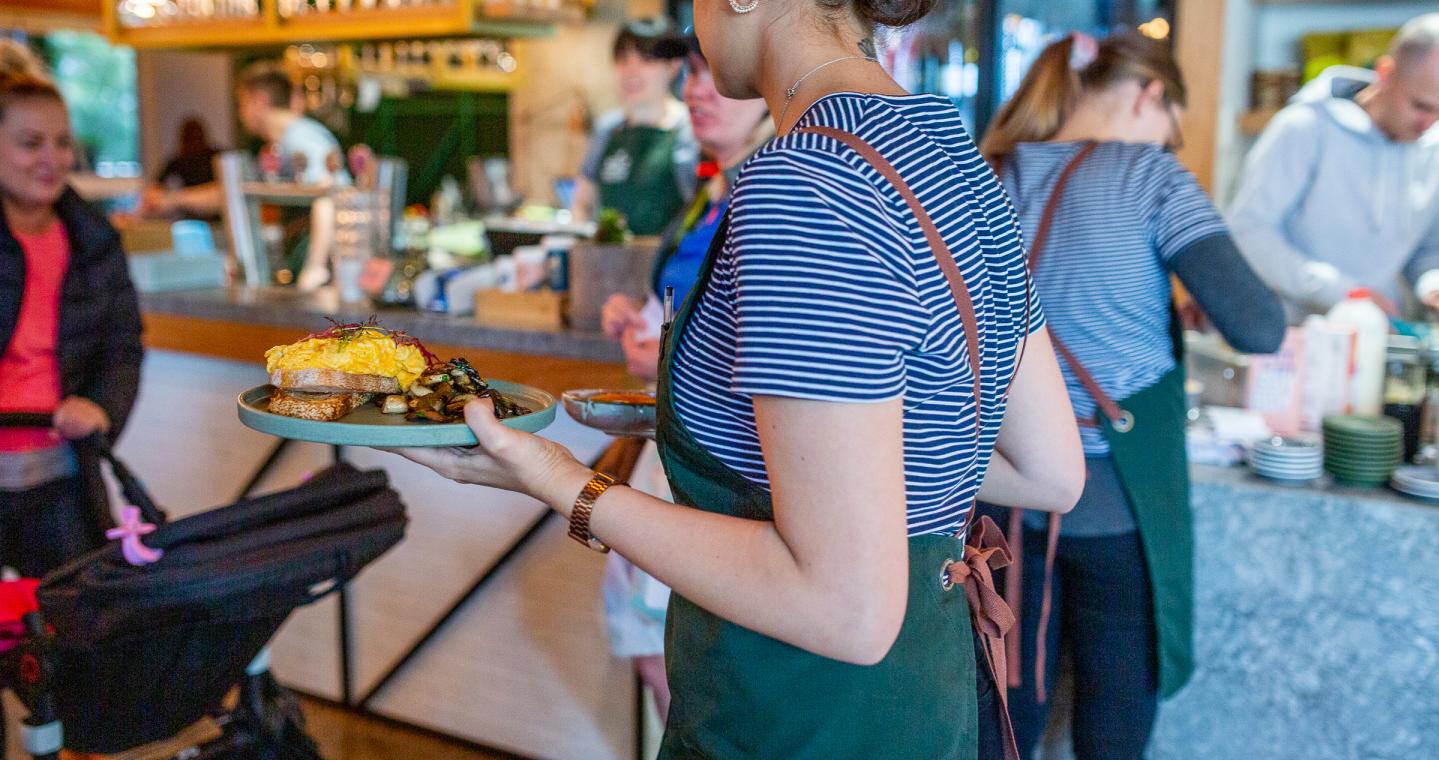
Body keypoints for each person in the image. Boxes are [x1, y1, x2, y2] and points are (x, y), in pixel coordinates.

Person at [390, 0, 1087, 756]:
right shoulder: (947, 148)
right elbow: (1045, 469)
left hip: (798, 716)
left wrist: (561, 479)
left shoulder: (807, 183)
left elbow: (846, 609)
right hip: (924, 704)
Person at [980, 33, 1285, 758]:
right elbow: (1259, 325)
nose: (1168, 141)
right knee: (1114, 724)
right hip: (1114, 496)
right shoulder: (1152, 177)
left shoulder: (985, 172)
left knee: (1001, 721)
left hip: (998, 497)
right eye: (1172, 125)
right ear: (1149, 97)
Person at [595, 32, 771, 723]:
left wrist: (663, 357)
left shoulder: (770, 198)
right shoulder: (711, 193)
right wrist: (638, 319)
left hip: (715, 465)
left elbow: (766, 355)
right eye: (690, 75)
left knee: (679, 653)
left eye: (712, 75)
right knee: (653, 640)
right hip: (671, 450)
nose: (695, 90)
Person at [0, 73, 144, 578]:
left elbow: (122, 348)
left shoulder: (95, 241)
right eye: (29, 143)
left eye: (62, 142)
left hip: (63, 475)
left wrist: (101, 406)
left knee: (75, 632)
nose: (52, 158)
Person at [1229, 13, 1439, 321]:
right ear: (1385, 73)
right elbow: (1248, 231)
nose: (1429, 122)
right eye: (1421, 106)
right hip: (1289, 334)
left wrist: (1432, 285)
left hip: (1376, 337)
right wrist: (1341, 291)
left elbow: (1425, 250)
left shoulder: (1432, 145)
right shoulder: (1306, 127)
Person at [143, 63, 350, 289]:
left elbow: (328, 197)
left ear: (258, 100)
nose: (241, 115)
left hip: (332, 266)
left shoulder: (302, 139)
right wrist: (171, 200)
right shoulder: (281, 146)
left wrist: (315, 267)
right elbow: (231, 192)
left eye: (241, 103)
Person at [570, 18, 698, 236]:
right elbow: (582, 204)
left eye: (646, 60)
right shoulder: (607, 130)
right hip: (612, 264)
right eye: (623, 59)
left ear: (673, 66)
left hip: (669, 265)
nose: (631, 71)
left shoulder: (691, 129)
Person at [156, 117, 219, 191]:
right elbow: (157, 184)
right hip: (201, 198)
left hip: (194, 198)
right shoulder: (178, 161)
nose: (195, 141)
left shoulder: (178, 161)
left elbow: (157, 184)